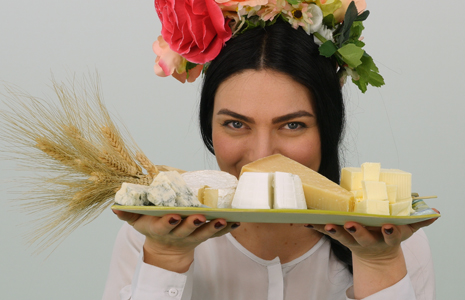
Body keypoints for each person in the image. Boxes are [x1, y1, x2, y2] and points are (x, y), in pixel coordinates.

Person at [104, 2, 438, 299]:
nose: (262, 154)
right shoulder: (150, 236)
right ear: (209, 126)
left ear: (328, 128)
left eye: (292, 125)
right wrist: (165, 260)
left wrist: (378, 264)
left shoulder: (394, 241)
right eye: (236, 124)